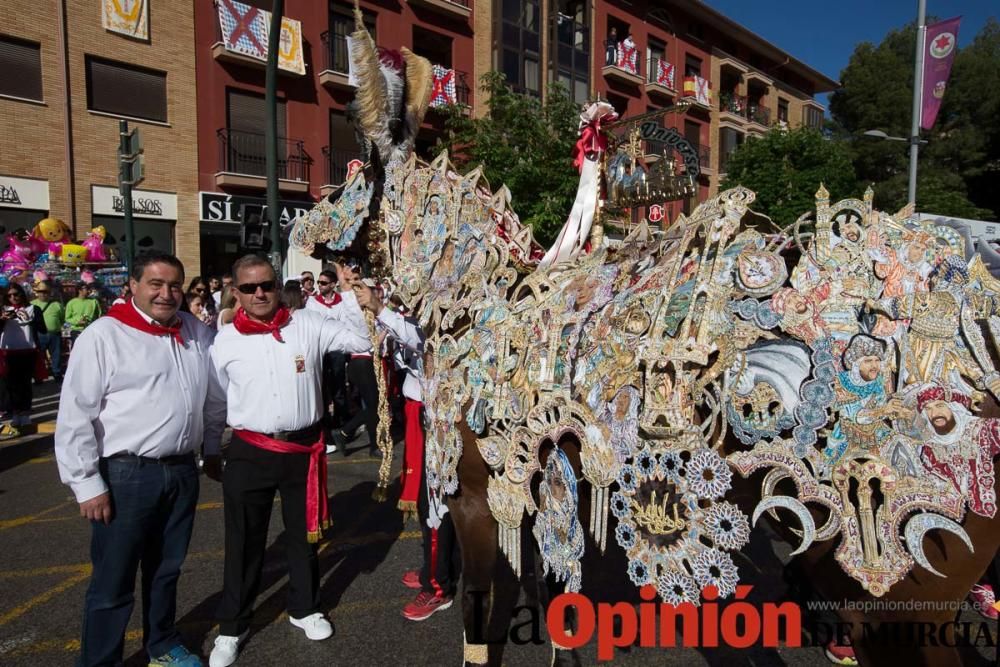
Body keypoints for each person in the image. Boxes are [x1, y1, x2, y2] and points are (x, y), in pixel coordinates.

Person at [207, 255, 410, 667]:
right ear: (236, 292)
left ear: (276, 285)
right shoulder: (225, 339)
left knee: (303, 536)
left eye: (266, 284)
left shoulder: (307, 323)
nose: (260, 293)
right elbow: (214, 401)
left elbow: (362, 342)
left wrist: (355, 294)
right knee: (243, 540)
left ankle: (305, 607)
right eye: (249, 288)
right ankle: (233, 625)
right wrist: (211, 448)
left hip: (302, 448)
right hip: (249, 450)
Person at [54, 252, 227, 667]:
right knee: (113, 581)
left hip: (182, 469)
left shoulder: (195, 331)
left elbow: (213, 396)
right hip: (127, 474)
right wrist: (87, 483)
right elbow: (76, 413)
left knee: (167, 570)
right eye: (156, 284)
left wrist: (213, 448)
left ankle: (162, 645)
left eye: (174, 285)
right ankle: (100, 661)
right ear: (132, 285)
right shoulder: (104, 335)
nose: (166, 294)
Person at [382, 302, 461, 621]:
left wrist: (379, 308)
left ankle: (438, 586)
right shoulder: (424, 310)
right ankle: (434, 569)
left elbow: (424, 341)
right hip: (423, 412)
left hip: (443, 418)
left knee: (436, 503)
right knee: (425, 499)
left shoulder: (451, 316)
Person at [330, 263, 382, 457]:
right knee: (374, 405)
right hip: (361, 361)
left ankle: (373, 445)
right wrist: (346, 284)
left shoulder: (371, 310)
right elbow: (353, 310)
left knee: (373, 404)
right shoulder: (354, 308)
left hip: (368, 360)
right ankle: (344, 432)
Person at [305, 269, 351, 448]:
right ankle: (325, 424)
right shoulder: (312, 302)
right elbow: (314, 325)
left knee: (339, 386)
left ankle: (342, 422)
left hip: (337, 349)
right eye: (319, 282)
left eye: (323, 283)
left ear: (333, 284)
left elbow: (344, 324)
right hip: (321, 350)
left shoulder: (342, 303)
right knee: (322, 387)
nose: (319, 285)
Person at [0, 283, 46, 436]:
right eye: (9, 295)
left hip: (27, 351)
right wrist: (2, 320)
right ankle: (15, 414)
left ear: (22, 294)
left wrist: (30, 320)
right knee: (10, 386)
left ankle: (25, 413)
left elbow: (43, 329)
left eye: (16, 294)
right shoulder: (3, 310)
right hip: (8, 351)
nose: (13, 298)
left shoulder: (33, 309)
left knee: (25, 383)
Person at [31, 280, 65, 380]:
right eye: (41, 292)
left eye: (45, 292)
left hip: (54, 333)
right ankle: (38, 376)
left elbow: (62, 318)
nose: (43, 294)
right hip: (39, 334)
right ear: (37, 293)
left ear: (49, 293)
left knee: (56, 355)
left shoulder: (57, 304)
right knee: (39, 356)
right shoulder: (32, 304)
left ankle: (57, 373)